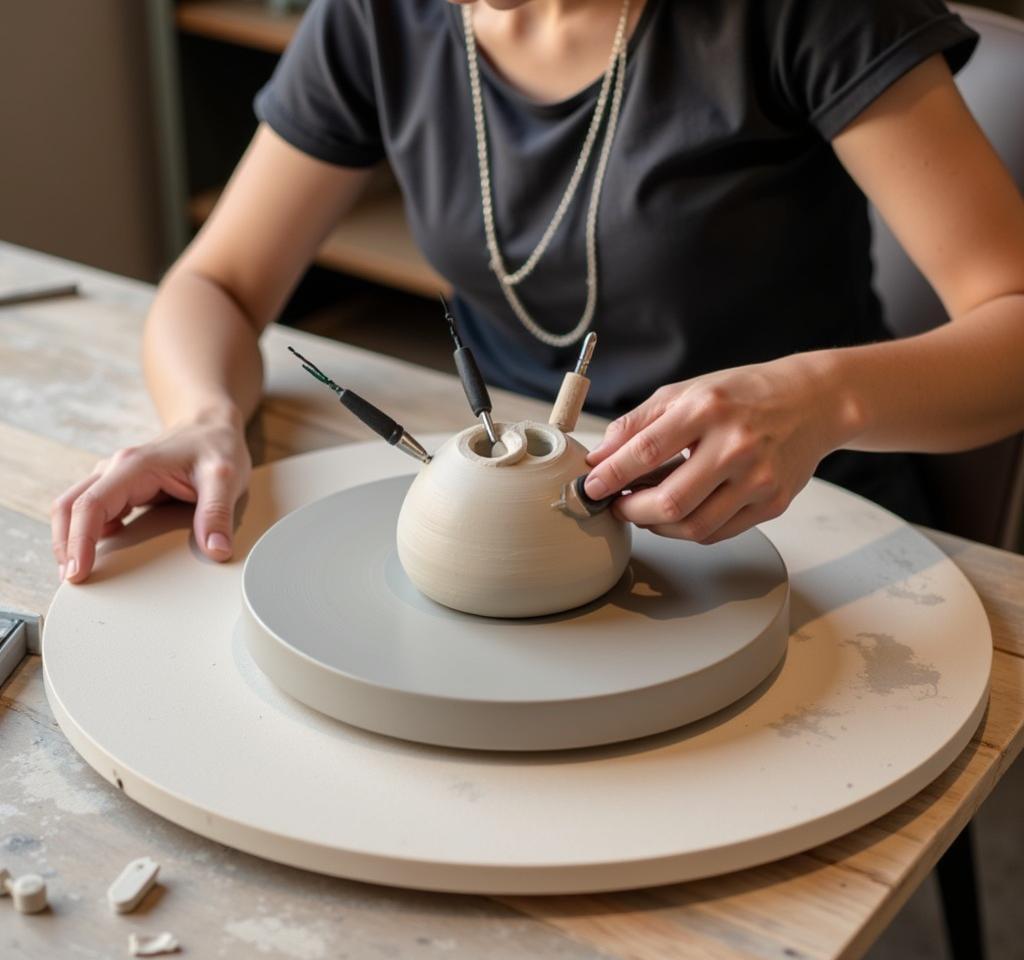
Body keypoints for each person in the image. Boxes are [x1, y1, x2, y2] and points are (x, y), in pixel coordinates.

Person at [51, 0, 1024, 584]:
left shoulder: (803, 12)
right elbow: (217, 281)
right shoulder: (380, 19)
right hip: (508, 514)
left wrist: (820, 397)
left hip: (789, 515)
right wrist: (208, 416)